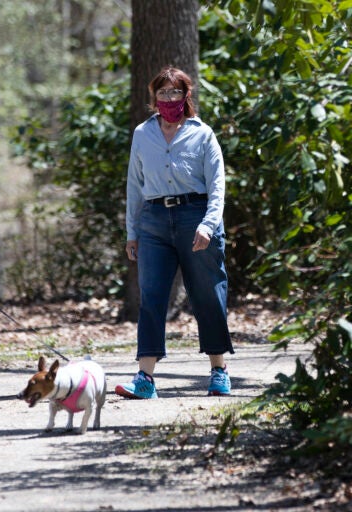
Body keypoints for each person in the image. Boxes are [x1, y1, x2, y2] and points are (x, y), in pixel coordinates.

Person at [116, 66, 234, 400]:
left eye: (175, 92)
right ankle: (145, 379)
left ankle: (219, 371)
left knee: (208, 294)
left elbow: (218, 186)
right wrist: (132, 231)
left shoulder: (202, 134)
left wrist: (208, 226)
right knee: (151, 297)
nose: (169, 99)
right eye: (163, 93)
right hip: (153, 221)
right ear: (154, 98)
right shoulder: (143, 133)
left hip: (195, 217)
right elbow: (134, 186)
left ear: (186, 96)